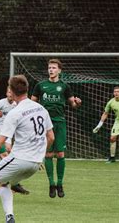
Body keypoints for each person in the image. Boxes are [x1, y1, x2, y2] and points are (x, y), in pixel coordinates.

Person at [0, 75, 54, 223]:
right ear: (27, 89)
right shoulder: (41, 108)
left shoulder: (15, 112)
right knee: (3, 182)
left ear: (12, 91)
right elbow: (51, 137)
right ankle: (9, 217)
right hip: (34, 163)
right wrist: (40, 155)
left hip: (20, 159)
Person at [31, 59, 81, 198]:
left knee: (60, 154)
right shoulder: (41, 85)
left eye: (53, 68)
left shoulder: (64, 86)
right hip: (45, 124)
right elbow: (31, 102)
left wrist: (77, 103)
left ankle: (60, 183)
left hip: (60, 122)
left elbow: (73, 104)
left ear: (59, 70)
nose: (51, 70)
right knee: (48, 155)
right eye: (49, 68)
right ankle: (51, 184)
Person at [0, 87, 30, 195]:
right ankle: (11, 183)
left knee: (6, 154)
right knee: (7, 151)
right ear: (6, 93)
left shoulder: (16, 105)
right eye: (9, 92)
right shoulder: (1, 103)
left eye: (12, 92)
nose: (10, 94)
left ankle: (1, 176)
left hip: (8, 132)